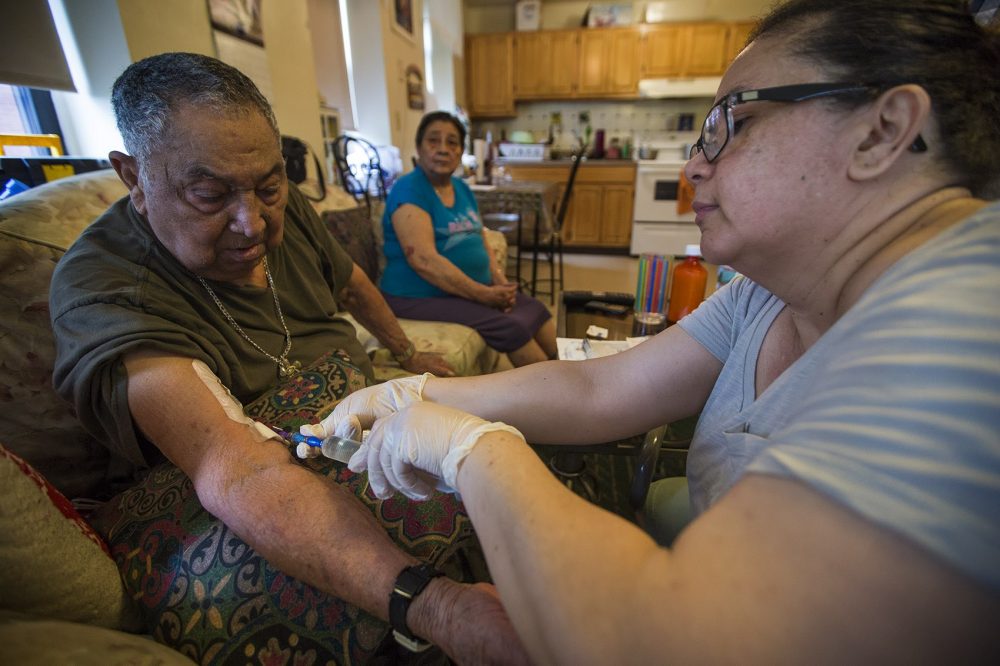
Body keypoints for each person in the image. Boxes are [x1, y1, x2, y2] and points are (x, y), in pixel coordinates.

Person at [308, 1, 1000, 661]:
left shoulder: (972, 322)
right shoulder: (770, 295)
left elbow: (667, 642)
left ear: (883, 131)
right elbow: (598, 387)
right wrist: (418, 389)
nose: (694, 166)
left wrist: (471, 450)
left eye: (735, 121)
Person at [49, 52, 527, 664]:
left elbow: (352, 282)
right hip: (232, 486)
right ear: (134, 177)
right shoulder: (104, 285)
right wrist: (433, 604)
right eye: (208, 194)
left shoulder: (280, 206)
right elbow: (237, 467)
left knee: (504, 474)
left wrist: (405, 353)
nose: (253, 223)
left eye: (269, 187)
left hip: (345, 418)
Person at [379, 111, 557, 367]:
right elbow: (423, 260)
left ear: (461, 151)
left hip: (465, 291)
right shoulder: (409, 188)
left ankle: (570, 379)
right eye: (433, 141)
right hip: (416, 296)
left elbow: (479, 234)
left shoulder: (460, 187)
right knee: (511, 326)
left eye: (452, 142)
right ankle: (552, 400)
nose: (443, 149)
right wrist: (482, 294)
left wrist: (500, 282)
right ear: (419, 147)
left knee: (536, 310)